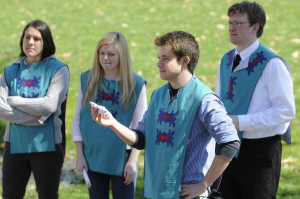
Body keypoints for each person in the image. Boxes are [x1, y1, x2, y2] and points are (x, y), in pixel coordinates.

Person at [92, 30, 240, 199]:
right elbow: (140, 139)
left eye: (165, 59)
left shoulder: (205, 100)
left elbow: (230, 142)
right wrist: (112, 123)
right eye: (159, 58)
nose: (158, 64)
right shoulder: (158, 95)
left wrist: (204, 184)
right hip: (157, 193)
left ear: (185, 61)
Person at [215, 1, 296, 198]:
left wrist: (240, 122)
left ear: (255, 27)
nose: (232, 28)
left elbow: (285, 111)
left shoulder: (272, 63)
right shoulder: (226, 59)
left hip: (260, 151)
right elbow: (218, 99)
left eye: (238, 23)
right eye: (230, 22)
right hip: (228, 147)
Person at [72, 32, 147, 199]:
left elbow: (140, 128)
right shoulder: (88, 79)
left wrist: (132, 162)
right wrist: (80, 155)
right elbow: (78, 118)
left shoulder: (136, 84)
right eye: (102, 53)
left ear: (122, 55)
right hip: (93, 156)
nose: (105, 58)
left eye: (111, 54)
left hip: (122, 159)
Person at [0, 19, 69, 199]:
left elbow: (49, 105)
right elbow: (0, 109)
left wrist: (14, 100)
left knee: (47, 196)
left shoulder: (58, 69)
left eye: (36, 39)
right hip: (14, 145)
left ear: (45, 42)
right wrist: (37, 118)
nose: (30, 42)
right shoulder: (9, 71)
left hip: (48, 147)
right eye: (27, 37)